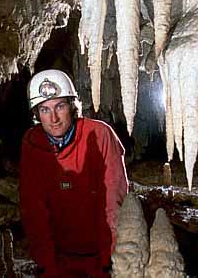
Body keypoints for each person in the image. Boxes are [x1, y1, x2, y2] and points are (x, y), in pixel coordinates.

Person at [20, 69, 129, 278]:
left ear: (72, 106)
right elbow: (33, 209)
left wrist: (110, 260)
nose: (53, 118)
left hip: (100, 255)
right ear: (36, 114)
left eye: (59, 106)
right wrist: (47, 265)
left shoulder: (99, 135)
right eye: (44, 109)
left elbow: (113, 201)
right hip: (59, 257)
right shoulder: (32, 144)